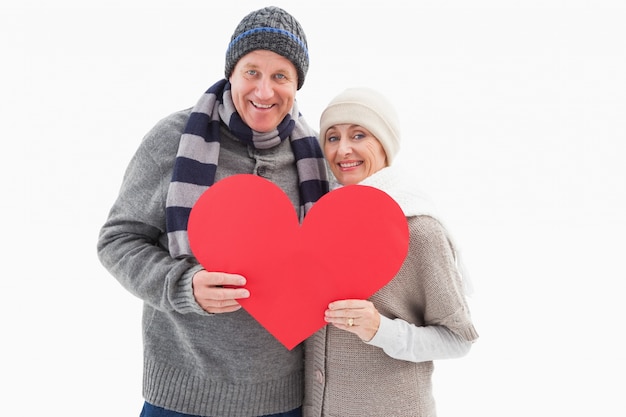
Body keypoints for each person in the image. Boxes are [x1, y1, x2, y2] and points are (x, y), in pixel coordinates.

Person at [97, 6, 329, 417]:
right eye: (252, 71)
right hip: (182, 393)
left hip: (284, 399)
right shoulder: (174, 138)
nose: (264, 91)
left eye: (280, 76)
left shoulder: (312, 155)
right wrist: (184, 285)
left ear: (297, 84)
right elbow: (117, 241)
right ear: (231, 73)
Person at [303, 87, 479, 417]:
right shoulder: (319, 221)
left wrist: (378, 329)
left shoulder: (418, 228)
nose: (343, 149)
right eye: (332, 137)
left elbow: (458, 339)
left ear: (384, 144)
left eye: (358, 135)